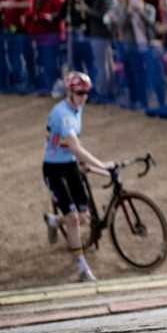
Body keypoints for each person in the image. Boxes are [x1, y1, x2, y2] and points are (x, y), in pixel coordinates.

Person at [41, 72, 114, 282]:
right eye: (80, 93)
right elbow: (75, 146)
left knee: (83, 217)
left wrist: (92, 167)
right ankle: (82, 268)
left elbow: (71, 148)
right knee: (73, 219)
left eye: (86, 93)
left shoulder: (77, 108)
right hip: (54, 169)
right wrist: (101, 165)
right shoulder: (63, 114)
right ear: (70, 92)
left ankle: (54, 221)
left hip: (70, 165)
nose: (84, 97)